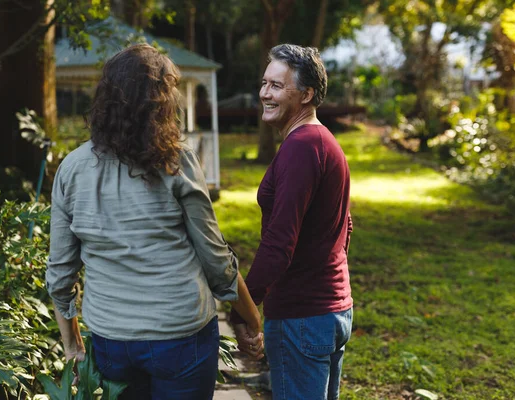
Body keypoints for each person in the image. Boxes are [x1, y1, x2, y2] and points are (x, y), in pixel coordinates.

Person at [46, 43, 263, 400]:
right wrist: (251, 321)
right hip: (181, 336)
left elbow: (60, 273)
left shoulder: (72, 169)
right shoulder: (176, 160)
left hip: (111, 340)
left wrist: (72, 345)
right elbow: (215, 259)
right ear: (161, 102)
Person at [231, 44, 354, 400]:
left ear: (307, 94)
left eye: (277, 86)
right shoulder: (324, 141)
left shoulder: (302, 147)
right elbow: (345, 227)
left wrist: (244, 310)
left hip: (302, 317)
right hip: (331, 310)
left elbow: (278, 243)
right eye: (265, 83)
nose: (264, 94)